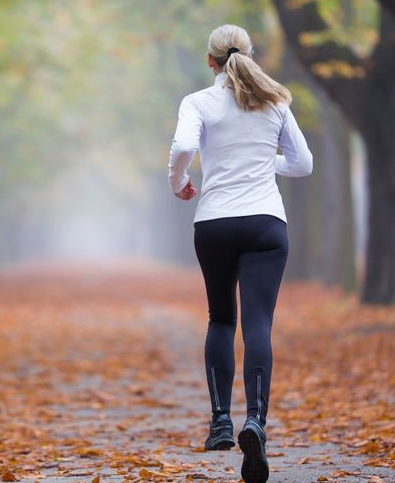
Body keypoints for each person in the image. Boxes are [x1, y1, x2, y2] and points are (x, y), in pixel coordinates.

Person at [167, 24, 313, 483]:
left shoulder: (198, 102)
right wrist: (261, 162)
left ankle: (220, 424)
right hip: (266, 223)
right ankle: (256, 422)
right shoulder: (276, 101)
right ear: (250, 54)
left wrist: (179, 183)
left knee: (221, 319)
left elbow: (186, 147)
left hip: (214, 223)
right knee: (258, 324)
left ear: (211, 61)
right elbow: (303, 164)